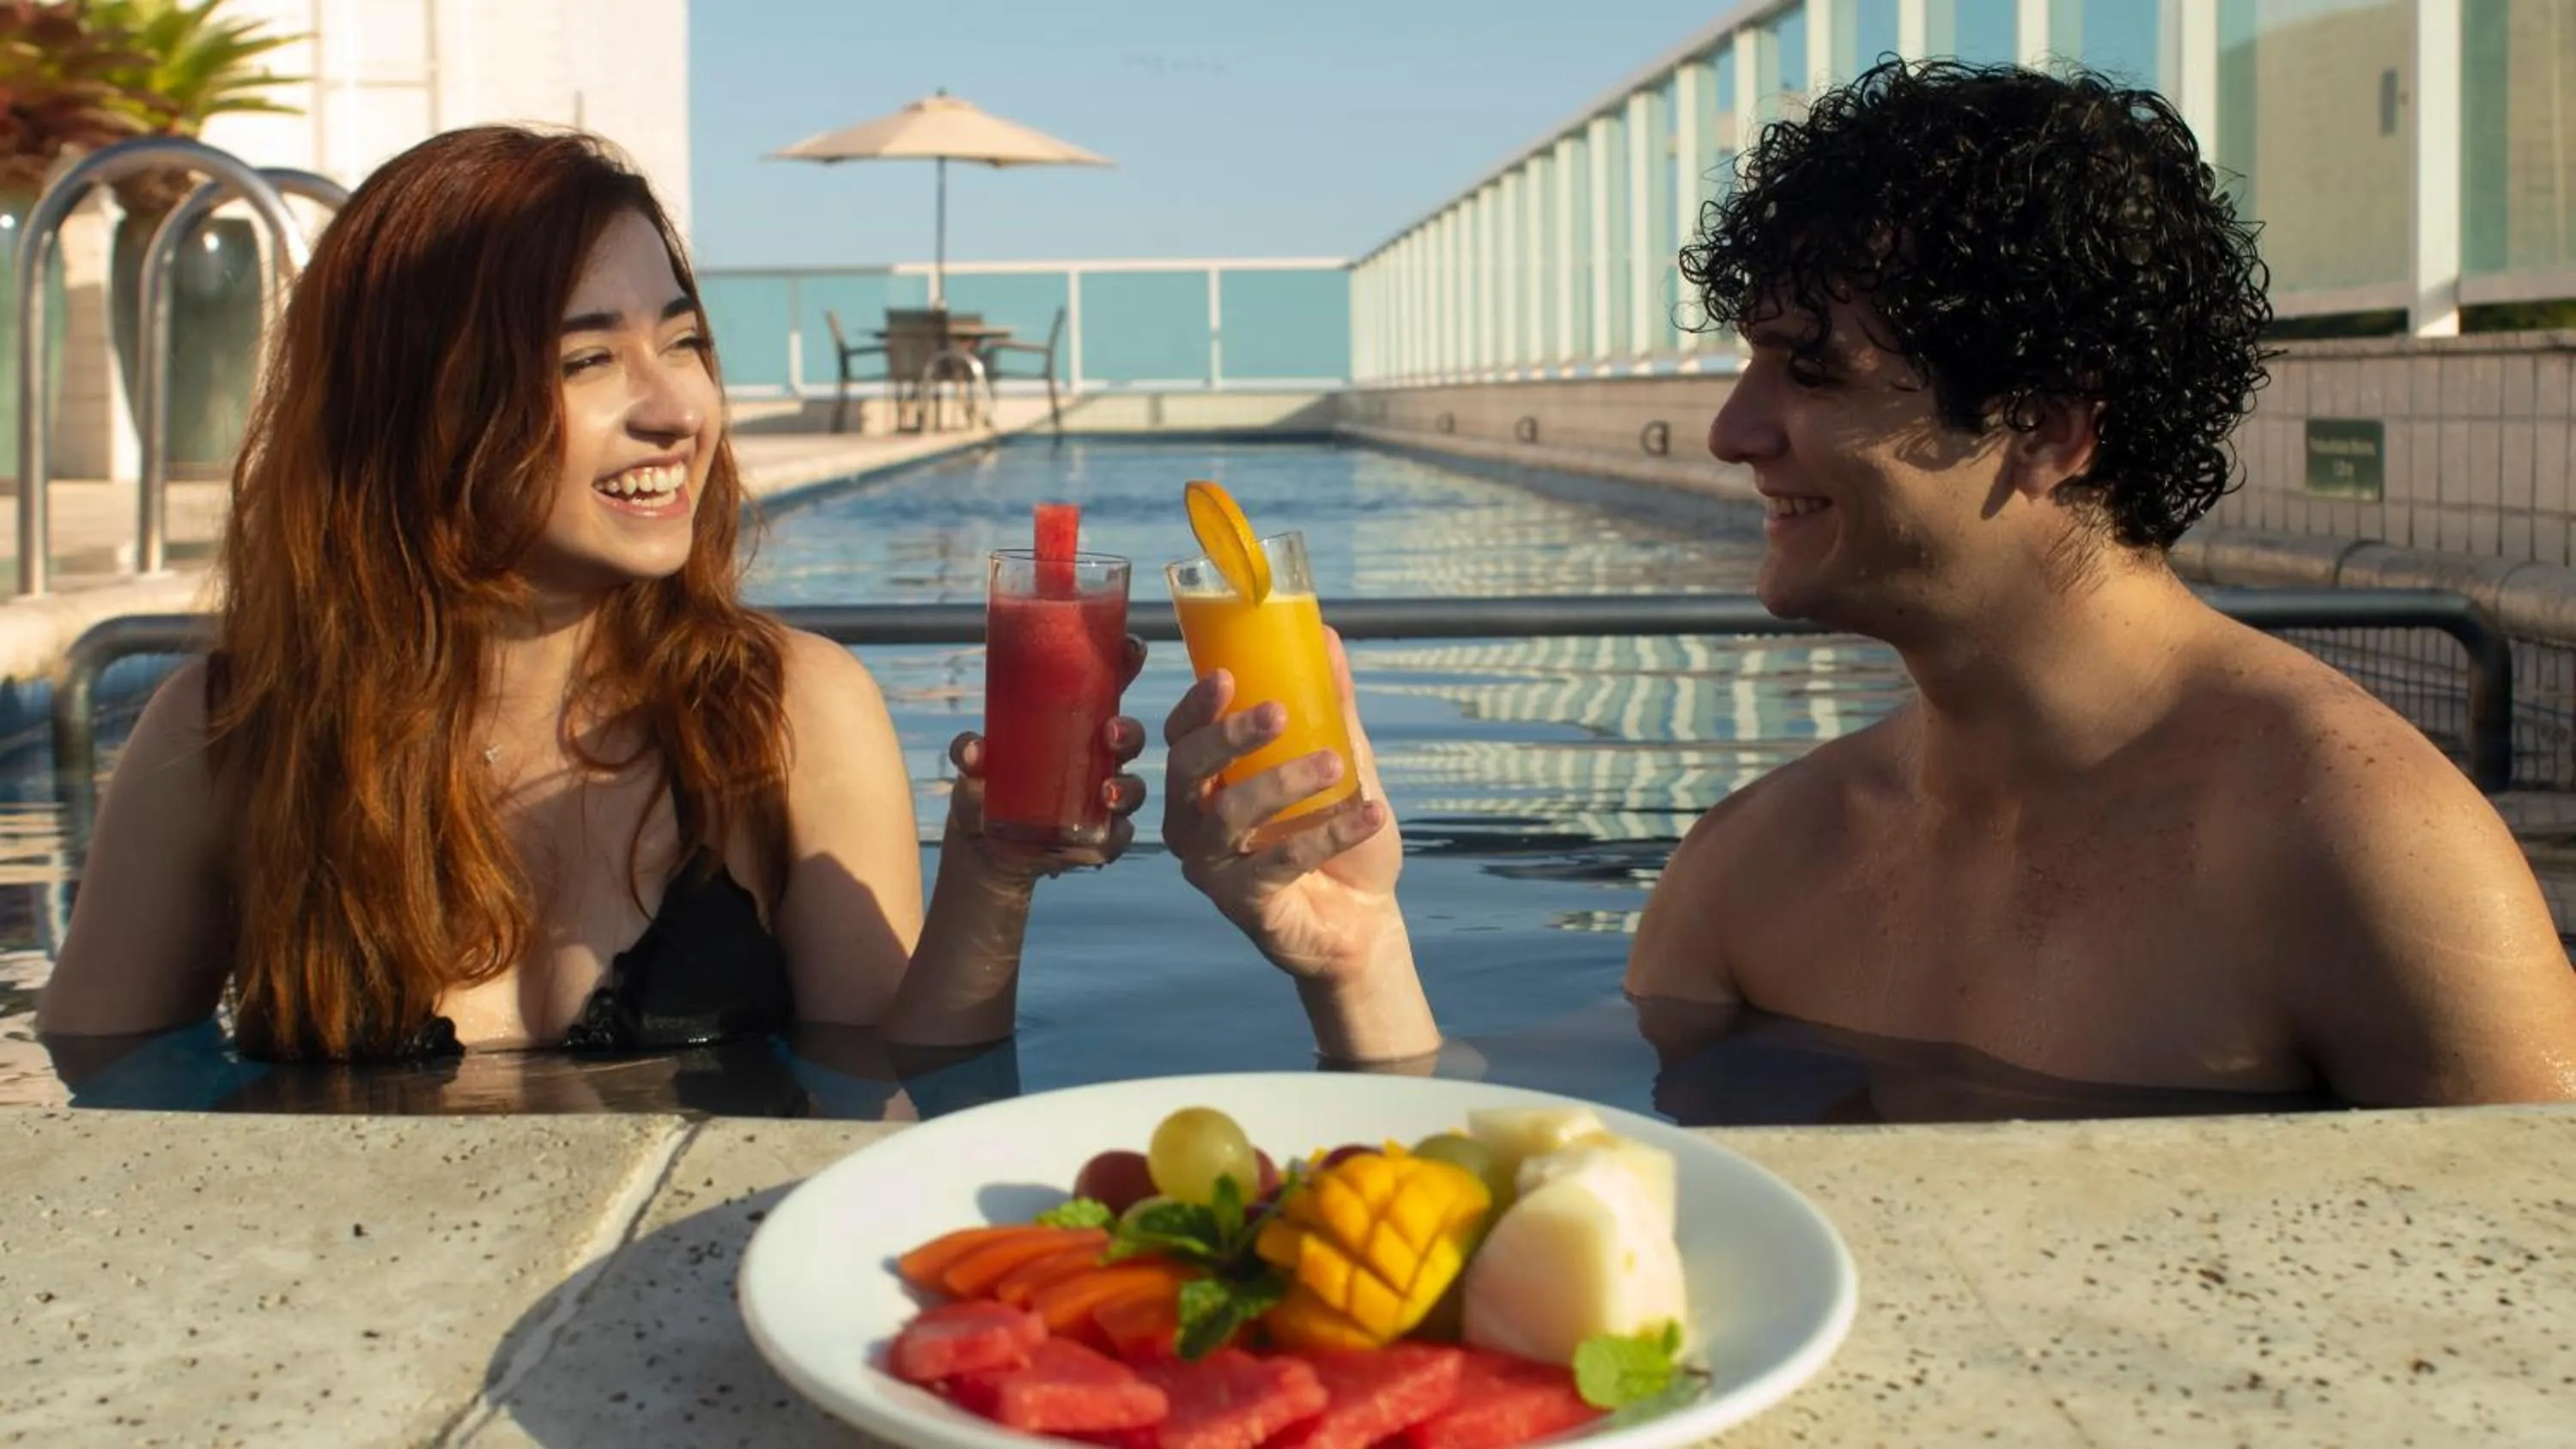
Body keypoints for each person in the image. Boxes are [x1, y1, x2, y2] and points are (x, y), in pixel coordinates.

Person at [1164, 59, 2576, 1109]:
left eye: (1809, 370)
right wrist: (1359, 956)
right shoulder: (1755, 870)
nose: (1730, 431)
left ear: (2046, 423)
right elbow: (1551, 1210)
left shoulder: (2371, 854)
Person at [36, 125, 1147, 1063]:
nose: (679, 409)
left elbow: (894, 1089)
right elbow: (102, 1093)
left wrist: (993, 878)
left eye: (684, 341)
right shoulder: (231, 735)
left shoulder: (785, 712)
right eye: (587, 361)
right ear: (422, 408)